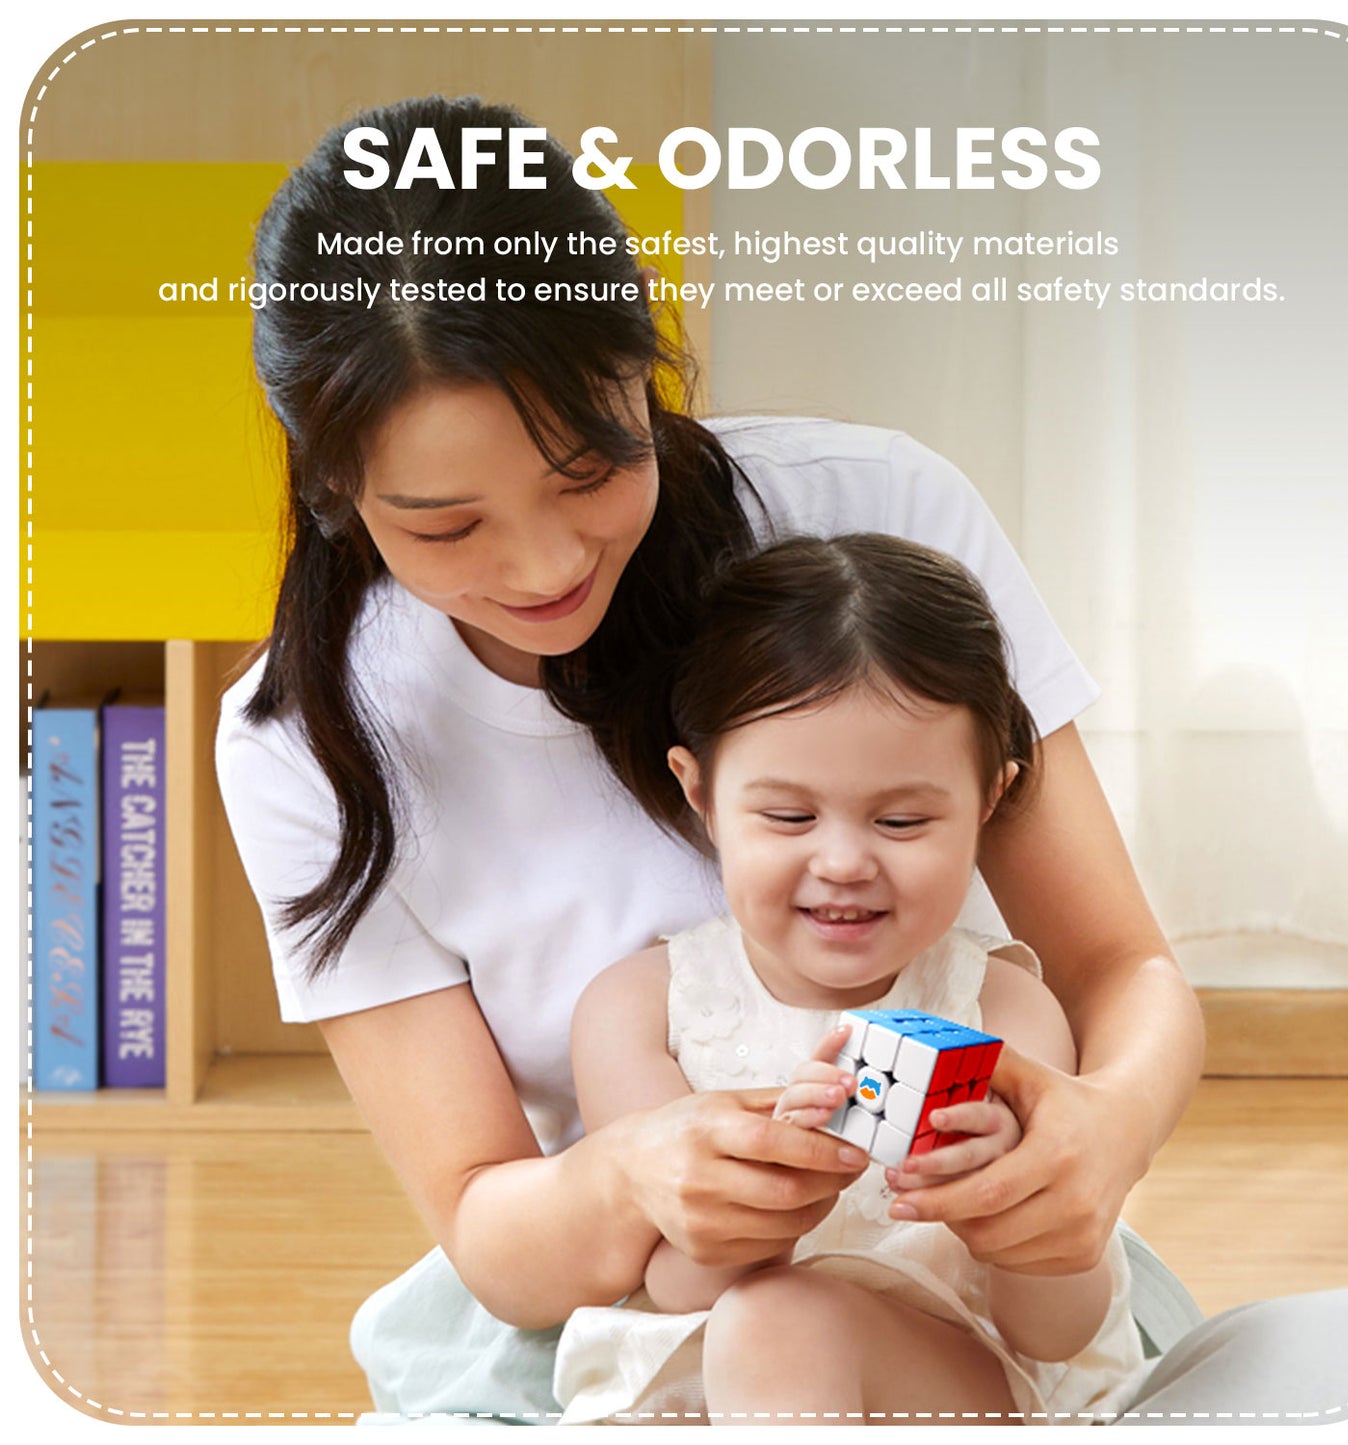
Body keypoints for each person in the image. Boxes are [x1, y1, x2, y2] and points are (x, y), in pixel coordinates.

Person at [216, 93, 1212, 1420]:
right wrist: (634, 1177)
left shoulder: (873, 515)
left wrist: (1103, 1129)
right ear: (335, 492)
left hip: (961, 1272)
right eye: (447, 526)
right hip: (610, 1288)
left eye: (587, 470)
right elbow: (487, 1218)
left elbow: (1115, 969)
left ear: (648, 362)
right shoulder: (309, 744)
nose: (545, 563)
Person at [553, 534, 1150, 1424]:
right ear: (701, 793)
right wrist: (763, 1198)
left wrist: (1006, 1205)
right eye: (788, 815)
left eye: (902, 819)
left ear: (988, 800)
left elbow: (1054, 1330)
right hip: (709, 1379)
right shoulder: (638, 1010)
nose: (842, 862)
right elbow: (674, 1286)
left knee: (778, 1321)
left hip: (953, 1379)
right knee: (760, 1316)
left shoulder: (1001, 1009)